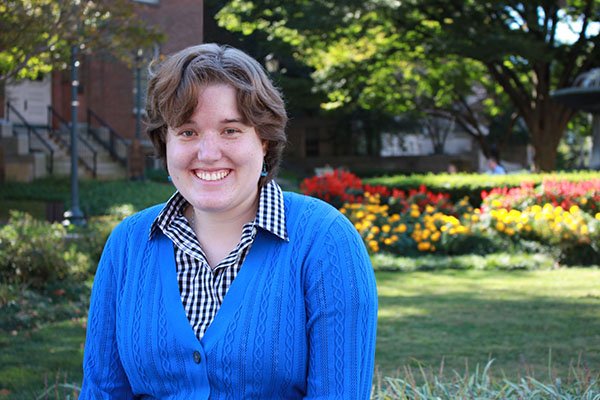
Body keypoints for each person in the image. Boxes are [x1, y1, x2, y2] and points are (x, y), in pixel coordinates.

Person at [80, 43, 378, 399]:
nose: (208, 154)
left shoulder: (325, 240)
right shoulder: (128, 244)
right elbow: (102, 392)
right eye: (187, 132)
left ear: (264, 140)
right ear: (166, 141)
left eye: (231, 130)